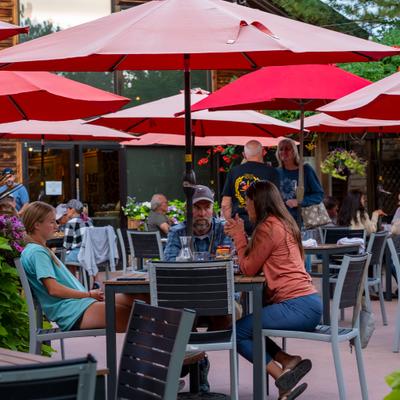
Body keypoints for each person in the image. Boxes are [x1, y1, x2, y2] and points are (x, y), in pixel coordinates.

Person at [224, 180, 322, 400]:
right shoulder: (284, 223)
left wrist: (239, 236)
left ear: (257, 203)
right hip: (308, 302)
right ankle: (287, 361)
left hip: (296, 306)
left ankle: (282, 381)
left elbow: (248, 269)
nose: (246, 208)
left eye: (248, 202)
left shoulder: (268, 226)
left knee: (237, 333)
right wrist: (242, 238)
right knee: (250, 327)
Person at [20, 201, 146, 332]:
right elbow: (53, 289)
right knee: (134, 317)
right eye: (51, 222)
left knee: (139, 298)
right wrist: (88, 294)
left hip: (79, 304)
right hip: (72, 311)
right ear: (37, 225)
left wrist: (89, 295)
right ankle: (155, 347)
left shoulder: (37, 249)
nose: (56, 226)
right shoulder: (37, 252)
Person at [221, 140, 279, 235]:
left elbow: (225, 203)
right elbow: (277, 201)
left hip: (239, 222)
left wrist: (230, 223)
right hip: (265, 224)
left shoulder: (234, 171)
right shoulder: (272, 172)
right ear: (262, 153)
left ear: (244, 155)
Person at [164, 185, 231, 261]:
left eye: (207, 207)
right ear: (187, 209)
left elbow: (227, 262)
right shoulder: (177, 232)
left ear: (212, 210)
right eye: (196, 207)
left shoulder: (223, 229)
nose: (202, 214)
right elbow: (170, 263)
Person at [275, 138, 324, 224]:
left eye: (287, 149)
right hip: (281, 221)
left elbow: (319, 195)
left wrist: (299, 202)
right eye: (281, 149)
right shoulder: (276, 172)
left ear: (294, 151)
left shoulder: (305, 170)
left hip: (303, 222)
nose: (283, 152)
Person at [63, 199, 93, 264]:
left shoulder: (71, 222)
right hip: (91, 253)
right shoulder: (89, 221)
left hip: (80, 253)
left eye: (67, 209)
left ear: (72, 210)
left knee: (64, 257)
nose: (66, 212)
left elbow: (67, 245)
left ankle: (71, 274)